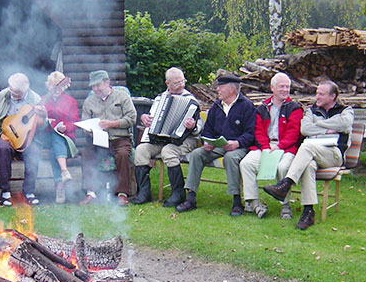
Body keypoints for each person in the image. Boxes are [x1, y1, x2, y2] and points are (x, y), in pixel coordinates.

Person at [263, 80, 354, 230]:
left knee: (306, 146)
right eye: (317, 93)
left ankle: (286, 184)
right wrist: (329, 128)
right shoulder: (312, 110)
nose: (316, 96)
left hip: (334, 155)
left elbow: (344, 124)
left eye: (321, 94)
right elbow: (305, 129)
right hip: (314, 154)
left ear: (332, 96)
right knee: (308, 165)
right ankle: (308, 212)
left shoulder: (345, 110)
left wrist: (317, 124)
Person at [176, 74, 255, 214]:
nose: (217, 89)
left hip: (239, 147)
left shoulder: (247, 106)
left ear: (231, 89)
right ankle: (191, 197)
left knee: (230, 158)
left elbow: (251, 133)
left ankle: (236, 201)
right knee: (196, 154)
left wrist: (237, 143)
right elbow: (208, 130)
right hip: (218, 146)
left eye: (221, 87)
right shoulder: (216, 106)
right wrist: (206, 142)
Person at [131, 67, 201, 207]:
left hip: (186, 139)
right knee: (141, 150)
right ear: (167, 83)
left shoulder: (191, 100)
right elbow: (151, 118)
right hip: (161, 139)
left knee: (168, 151)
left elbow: (199, 128)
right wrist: (144, 118)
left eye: (182, 81)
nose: (181, 85)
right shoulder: (159, 99)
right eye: (177, 83)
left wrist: (192, 126)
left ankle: (178, 193)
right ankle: (144, 192)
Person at [239, 72, 303, 219]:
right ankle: (254, 202)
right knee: (246, 163)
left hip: (286, 147)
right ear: (272, 88)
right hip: (265, 146)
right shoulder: (262, 108)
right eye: (281, 86)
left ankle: (285, 205)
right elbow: (258, 130)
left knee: (283, 167)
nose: (285, 90)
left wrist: (280, 146)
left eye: (287, 87)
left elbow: (294, 133)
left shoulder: (294, 108)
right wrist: (265, 146)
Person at [79, 70, 137, 206]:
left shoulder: (122, 97)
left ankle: (122, 194)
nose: (95, 89)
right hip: (98, 140)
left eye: (98, 85)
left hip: (120, 138)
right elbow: (84, 122)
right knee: (87, 154)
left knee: (122, 155)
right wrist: (90, 131)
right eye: (92, 87)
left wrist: (112, 124)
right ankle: (91, 193)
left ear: (107, 82)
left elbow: (131, 118)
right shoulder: (89, 101)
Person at [0, 72, 46, 207]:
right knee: (3, 149)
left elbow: (43, 125)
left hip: (26, 138)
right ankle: (5, 192)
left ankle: (29, 192)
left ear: (25, 90)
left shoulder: (35, 99)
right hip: (5, 134)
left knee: (34, 152)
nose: (12, 93)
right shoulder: (3, 94)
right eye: (11, 89)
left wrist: (44, 116)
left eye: (16, 92)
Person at [39, 71, 79, 204]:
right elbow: (36, 122)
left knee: (54, 148)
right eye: (52, 86)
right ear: (48, 86)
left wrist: (65, 128)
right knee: (54, 139)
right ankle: (64, 171)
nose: (56, 89)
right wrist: (44, 115)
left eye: (59, 86)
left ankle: (59, 186)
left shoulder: (70, 101)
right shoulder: (43, 99)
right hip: (46, 137)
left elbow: (75, 122)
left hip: (65, 139)